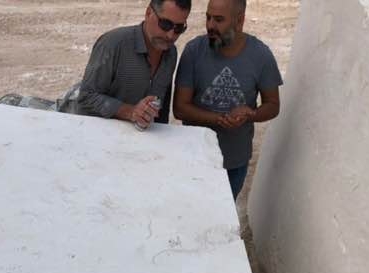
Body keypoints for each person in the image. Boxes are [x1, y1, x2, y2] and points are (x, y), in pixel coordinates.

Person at [173, 0, 282, 200]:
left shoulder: (261, 56)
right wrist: (220, 119)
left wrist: (251, 114)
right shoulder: (194, 51)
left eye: (219, 19)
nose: (210, 25)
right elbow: (180, 108)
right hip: (194, 156)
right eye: (208, 17)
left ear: (239, 21)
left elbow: (273, 105)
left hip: (234, 162)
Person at [76, 0, 191, 130]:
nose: (170, 35)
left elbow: (161, 110)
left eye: (179, 28)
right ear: (148, 13)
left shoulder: (171, 53)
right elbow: (86, 97)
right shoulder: (113, 44)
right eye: (165, 24)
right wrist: (130, 112)